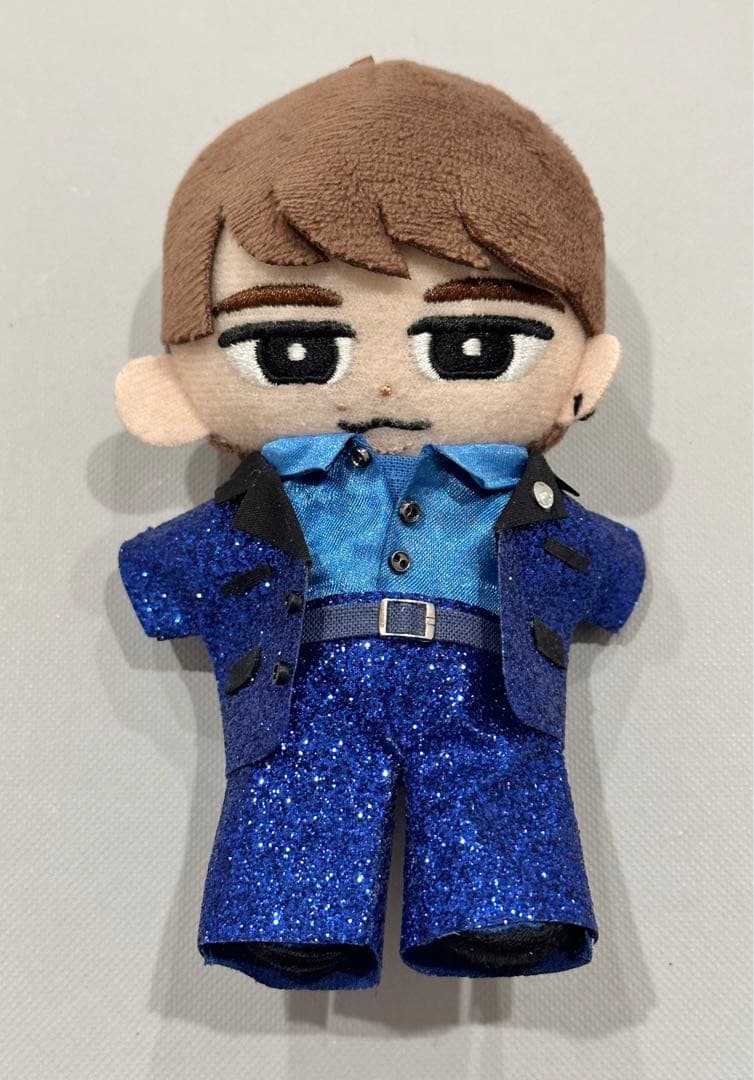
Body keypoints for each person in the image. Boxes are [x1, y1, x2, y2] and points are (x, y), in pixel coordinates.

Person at [117, 59, 645, 990]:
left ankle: (502, 912)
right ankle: (290, 922)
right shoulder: (269, 500)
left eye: (474, 344)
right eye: (291, 348)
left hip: (490, 687)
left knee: (502, 784)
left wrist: (608, 568)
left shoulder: (520, 498)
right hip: (305, 687)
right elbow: (168, 569)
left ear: (584, 371)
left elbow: (604, 564)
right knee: (294, 793)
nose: (390, 384)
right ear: (172, 390)